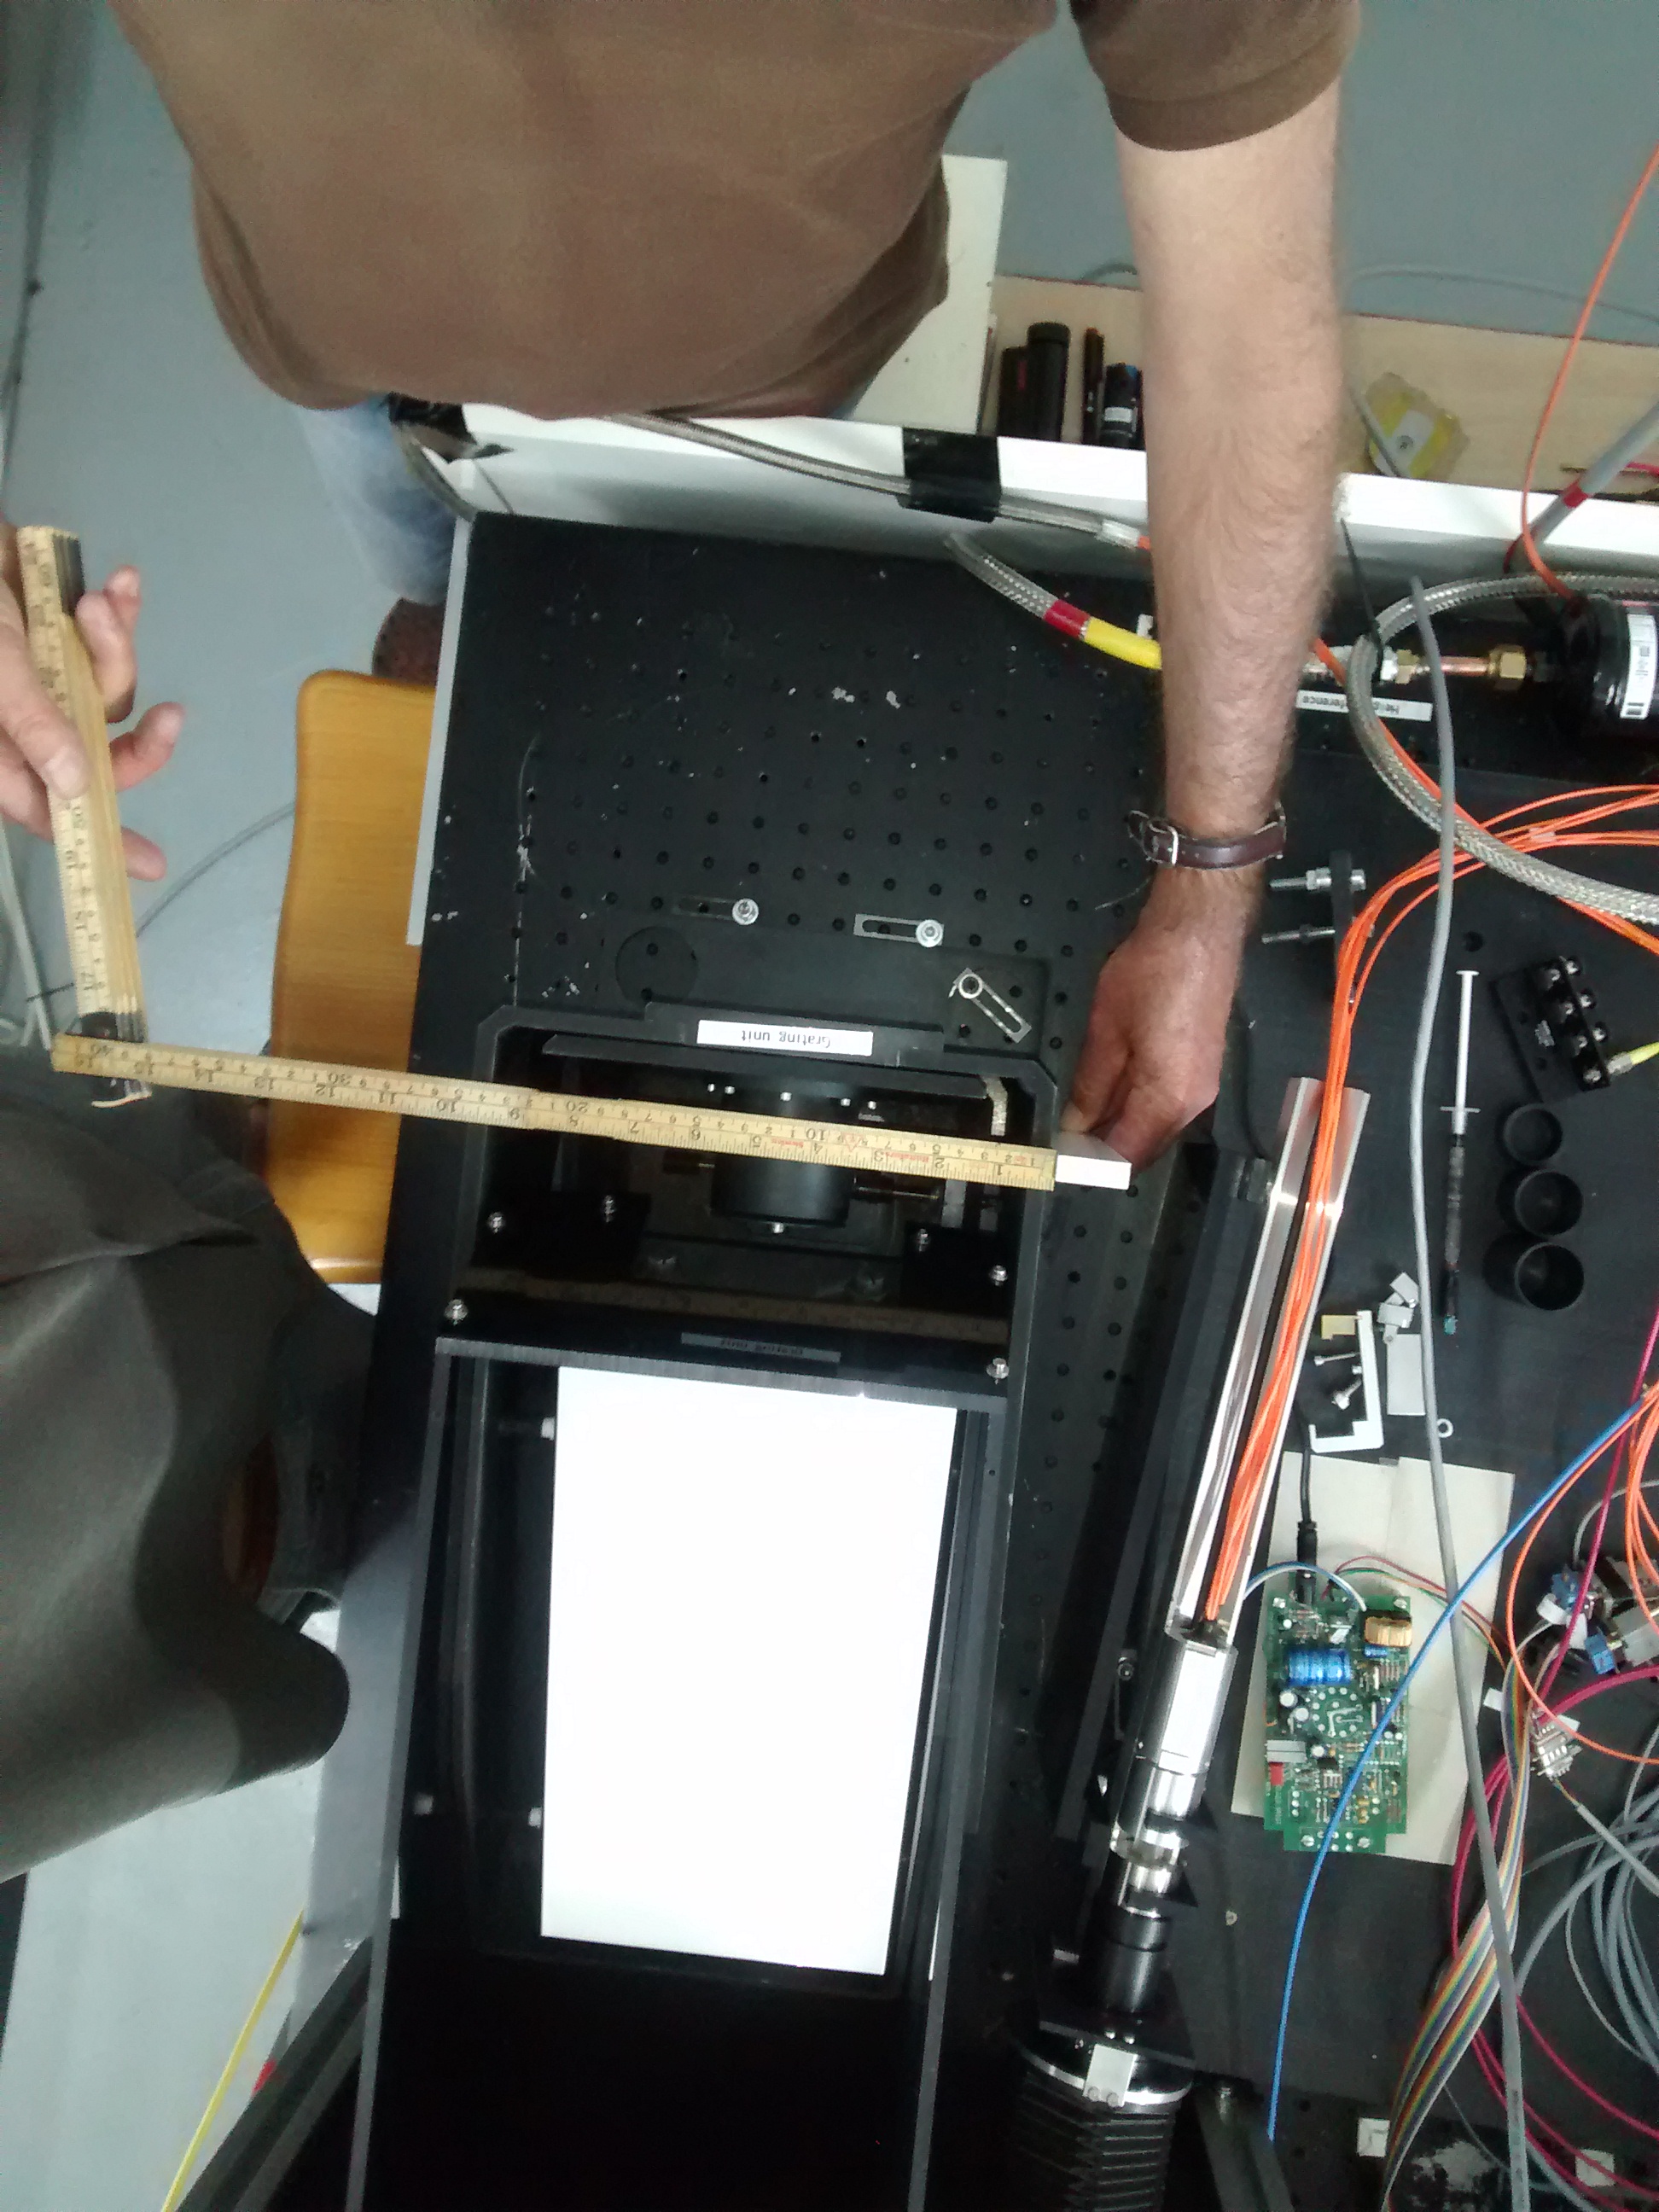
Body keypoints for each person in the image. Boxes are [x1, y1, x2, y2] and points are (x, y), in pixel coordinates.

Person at [0, 0, 1351, 1167]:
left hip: (760, 398)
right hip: (357, 371)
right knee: (426, 574)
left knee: (687, 657)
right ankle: (448, 613)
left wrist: (1211, 874)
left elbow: (1246, 352)